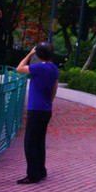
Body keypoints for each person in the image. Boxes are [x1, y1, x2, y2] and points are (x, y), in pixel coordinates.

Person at [16, 42, 59, 184]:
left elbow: (19, 68)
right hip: (46, 109)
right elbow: (54, 89)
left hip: (36, 109)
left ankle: (33, 175)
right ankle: (41, 171)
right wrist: (49, 102)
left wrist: (29, 54)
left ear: (38, 54)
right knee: (40, 141)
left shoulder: (39, 68)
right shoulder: (54, 68)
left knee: (30, 143)